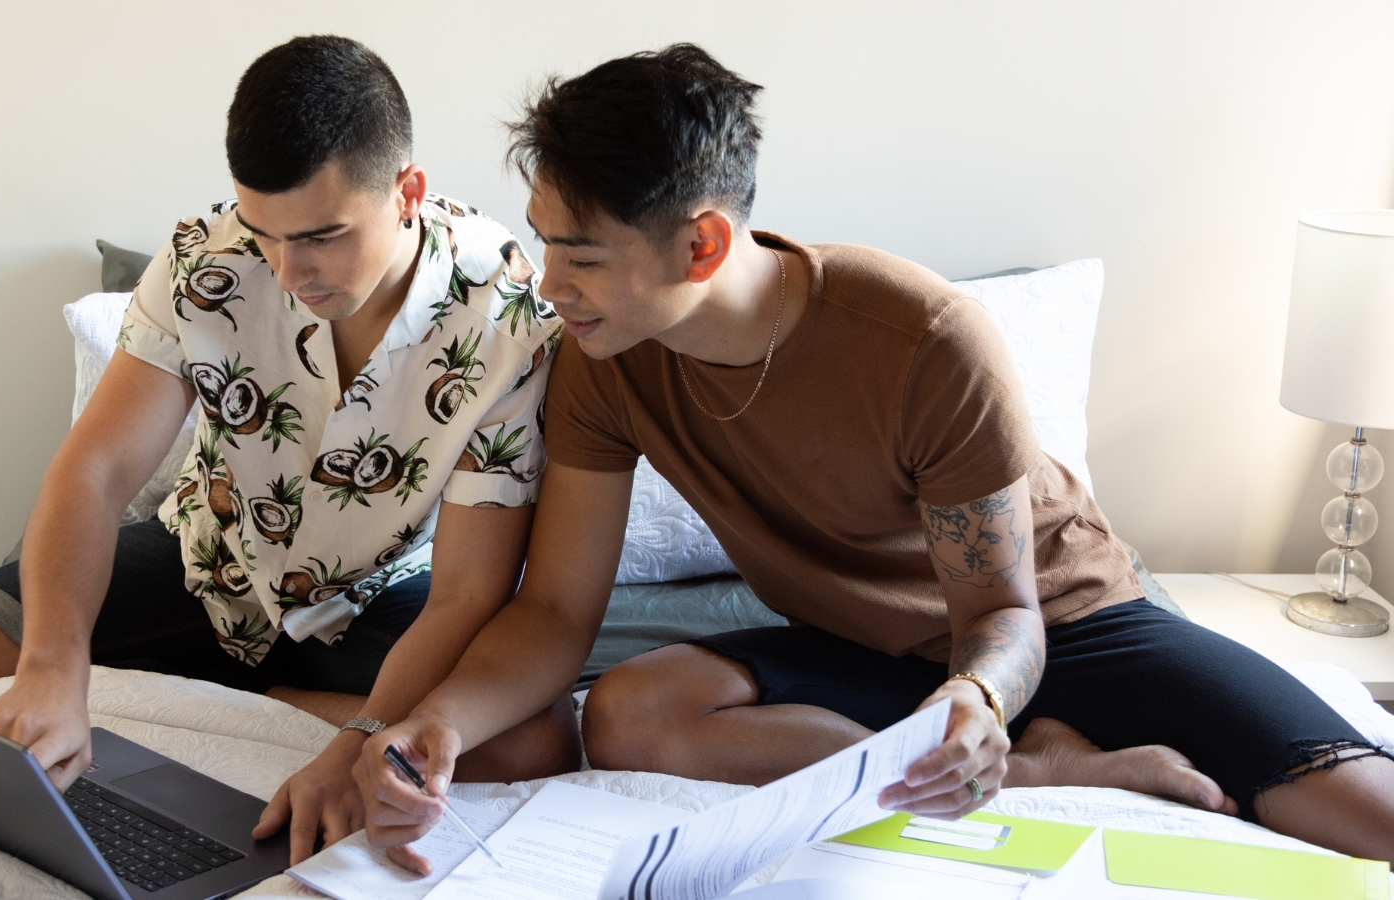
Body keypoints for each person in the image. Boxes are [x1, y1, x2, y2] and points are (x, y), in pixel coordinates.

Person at [355, 44, 1394, 873]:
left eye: (579, 254)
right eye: (543, 244)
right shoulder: (602, 357)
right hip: (855, 642)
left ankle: (1011, 742)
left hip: (1064, 624)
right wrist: (432, 722)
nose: (550, 284)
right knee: (630, 715)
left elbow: (1001, 614)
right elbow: (552, 614)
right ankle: (1040, 770)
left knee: (1361, 813)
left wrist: (976, 700)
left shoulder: (927, 340)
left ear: (702, 246)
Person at [0, 35, 576, 866]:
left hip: (376, 605)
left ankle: (270, 698)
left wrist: (358, 737)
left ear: (407, 193)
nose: (289, 271)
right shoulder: (204, 258)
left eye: (322, 236)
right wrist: (53, 666)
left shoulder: (510, 319)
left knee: (532, 743)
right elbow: (96, 474)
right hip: (206, 559)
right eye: (266, 233)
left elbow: (465, 592)